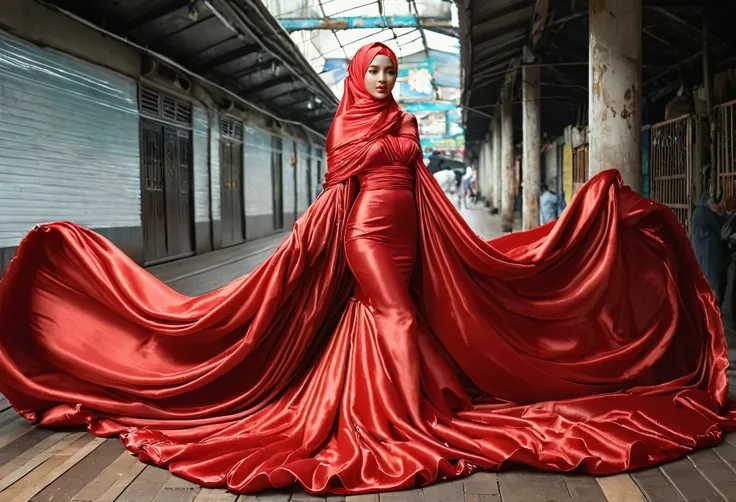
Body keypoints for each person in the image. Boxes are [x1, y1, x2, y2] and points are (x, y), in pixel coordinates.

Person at [0, 43, 733, 497]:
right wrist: (332, 203)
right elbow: (343, 179)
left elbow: (409, 167)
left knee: (396, 317)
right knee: (398, 316)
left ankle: (396, 404)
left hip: (411, 236)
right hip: (366, 239)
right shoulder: (346, 121)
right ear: (358, 74)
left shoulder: (407, 122)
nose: (383, 79)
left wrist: (394, 161)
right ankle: (419, 417)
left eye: (390, 70)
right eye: (374, 70)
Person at [691, 190, 728, 307]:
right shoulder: (704, 212)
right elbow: (718, 228)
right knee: (712, 280)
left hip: (704, 253)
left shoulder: (701, 211)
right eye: (711, 201)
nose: (714, 204)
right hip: (708, 253)